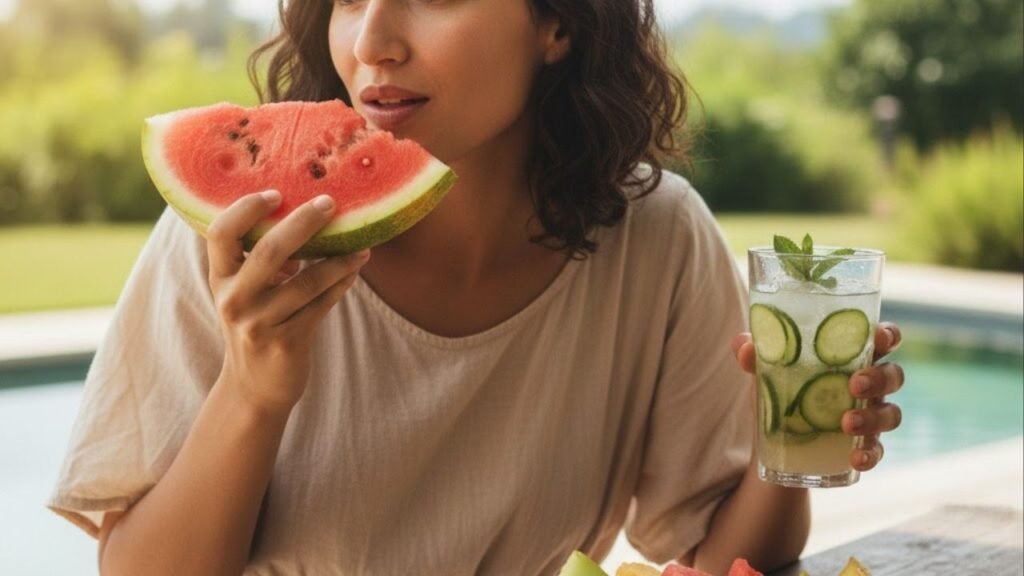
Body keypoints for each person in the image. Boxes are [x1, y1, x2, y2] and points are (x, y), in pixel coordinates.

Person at [48, 1, 906, 575]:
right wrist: (253, 389)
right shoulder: (241, 234)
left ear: (557, 24)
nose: (372, 41)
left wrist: (798, 432)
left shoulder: (654, 235)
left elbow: (722, 562)